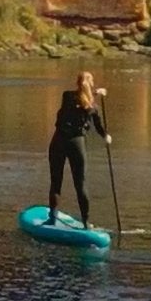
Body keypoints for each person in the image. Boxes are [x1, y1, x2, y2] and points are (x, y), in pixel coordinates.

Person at [46, 70, 107, 226]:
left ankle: (52, 218)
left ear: (77, 83)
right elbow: (99, 128)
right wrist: (107, 137)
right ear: (90, 83)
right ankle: (86, 222)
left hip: (58, 140)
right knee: (80, 184)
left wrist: (93, 92)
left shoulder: (66, 96)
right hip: (76, 143)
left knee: (56, 181)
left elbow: (78, 98)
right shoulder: (93, 107)